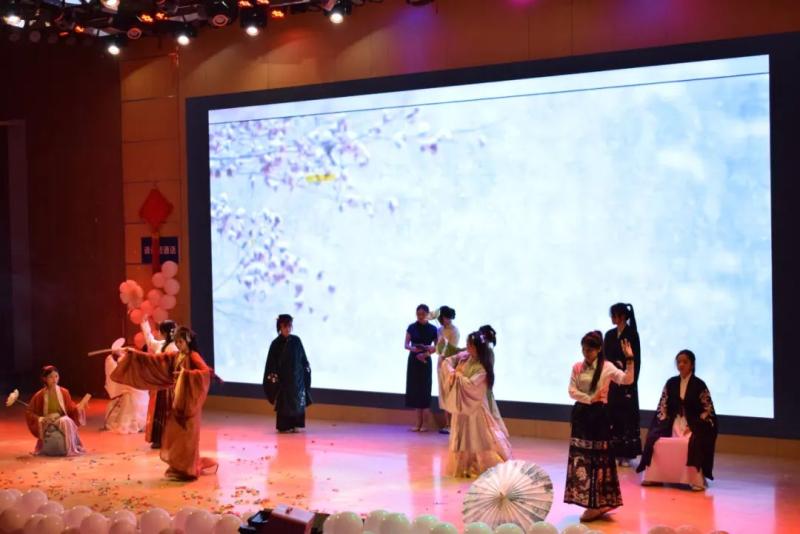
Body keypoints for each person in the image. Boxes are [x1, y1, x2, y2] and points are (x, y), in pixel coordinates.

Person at [113, 327, 217, 480]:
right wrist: (135, 354)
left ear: (188, 341)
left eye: (181, 342)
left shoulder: (193, 356)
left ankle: (188, 469)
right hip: (177, 399)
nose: (178, 345)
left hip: (189, 402)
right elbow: (155, 360)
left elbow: (205, 372)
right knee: (176, 433)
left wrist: (185, 374)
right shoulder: (176, 356)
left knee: (187, 435)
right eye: (177, 342)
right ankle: (178, 467)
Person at [564, 330, 635, 522]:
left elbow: (627, 379)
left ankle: (598, 503)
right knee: (582, 459)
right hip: (581, 415)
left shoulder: (607, 367)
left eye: (589, 350)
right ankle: (590, 502)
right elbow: (571, 390)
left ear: (598, 349)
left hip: (599, 416)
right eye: (584, 349)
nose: (586, 353)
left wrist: (629, 359)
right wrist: (589, 398)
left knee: (598, 460)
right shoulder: (577, 367)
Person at [636, 350, 718, 490]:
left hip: (693, 424)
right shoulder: (671, 383)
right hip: (672, 422)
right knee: (654, 439)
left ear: (692, 365)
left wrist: (697, 423)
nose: (681, 365)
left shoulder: (699, 385)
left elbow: (707, 409)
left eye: (685, 362)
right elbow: (663, 406)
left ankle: (694, 480)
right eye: (679, 362)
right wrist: (663, 421)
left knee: (693, 443)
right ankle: (654, 477)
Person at [439, 328, 511, 477]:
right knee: (463, 438)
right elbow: (448, 361)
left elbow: (470, 385)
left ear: (478, 347)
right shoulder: (465, 358)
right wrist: (453, 366)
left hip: (475, 406)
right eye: (467, 344)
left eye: (470, 345)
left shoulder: (482, 367)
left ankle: (481, 466)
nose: (467, 347)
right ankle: (465, 467)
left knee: (479, 437)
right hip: (463, 407)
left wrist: (456, 375)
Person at [603, 303, 642, 466]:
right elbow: (605, 356)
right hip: (612, 380)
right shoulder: (609, 334)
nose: (613, 318)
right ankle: (613, 453)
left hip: (627, 381)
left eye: (615, 315)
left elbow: (636, 358)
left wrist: (630, 379)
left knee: (626, 417)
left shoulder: (632, 334)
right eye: (612, 315)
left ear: (623, 316)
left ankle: (625, 455)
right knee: (613, 416)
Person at [263, 314, 312, 433]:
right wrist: (275, 379)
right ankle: (284, 426)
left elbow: (303, 359)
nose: (288, 329)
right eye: (285, 326)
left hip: (297, 380)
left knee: (297, 403)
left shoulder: (296, 341)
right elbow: (271, 363)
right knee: (284, 403)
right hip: (283, 380)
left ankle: (296, 424)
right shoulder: (275, 344)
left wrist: (305, 371)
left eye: (290, 326)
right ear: (280, 327)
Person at [25, 365, 89, 456]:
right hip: (47, 421)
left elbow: (70, 408)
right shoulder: (40, 395)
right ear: (44, 379)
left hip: (60, 419)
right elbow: (29, 412)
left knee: (67, 421)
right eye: (51, 377)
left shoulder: (64, 392)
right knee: (63, 421)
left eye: (56, 376)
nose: (54, 379)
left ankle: (70, 449)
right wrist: (41, 419)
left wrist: (79, 408)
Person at [141, 317, 177, 449]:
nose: (159, 333)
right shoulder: (161, 344)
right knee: (157, 412)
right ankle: (158, 438)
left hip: (168, 385)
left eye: (161, 331)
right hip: (159, 384)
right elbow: (150, 341)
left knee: (166, 412)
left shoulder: (174, 347)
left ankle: (168, 439)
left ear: (165, 332)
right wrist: (144, 323)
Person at [405, 304, 438, 432]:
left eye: (423, 314)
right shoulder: (411, 327)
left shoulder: (433, 329)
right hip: (413, 360)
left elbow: (437, 347)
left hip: (425, 360)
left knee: (425, 390)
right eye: (418, 314)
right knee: (415, 390)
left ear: (428, 314)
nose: (420, 316)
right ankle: (418, 423)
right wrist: (413, 348)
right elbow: (406, 345)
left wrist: (427, 352)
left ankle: (425, 424)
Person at [103, 348, 148, 434]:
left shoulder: (126, 365)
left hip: (131, 394)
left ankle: (133, 423)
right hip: (133, 393)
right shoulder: (136, 365)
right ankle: (138, 423)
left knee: (129, 400)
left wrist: (113, 356)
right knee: (130, 400)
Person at [433, 306, 460, 434]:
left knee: (450, 393)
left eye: (447, 318)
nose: (445, 320)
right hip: (441, 363)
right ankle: (447, 423)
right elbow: (438, 347)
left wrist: (442, 350)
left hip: (450, 363)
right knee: (443, 393)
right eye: (443, 318)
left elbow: (451, 349)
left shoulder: (455, 331)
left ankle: (453, 425)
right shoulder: (439, 330)